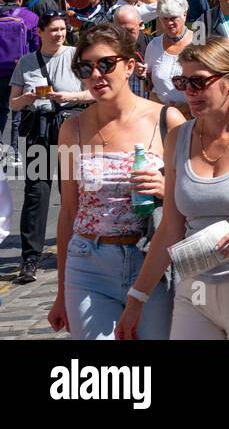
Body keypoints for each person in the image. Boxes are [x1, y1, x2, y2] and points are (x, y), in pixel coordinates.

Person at [114, 38, 229, 339]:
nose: (188, 92)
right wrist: (136, 299)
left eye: (199, 82)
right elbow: (170, 228)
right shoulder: (178, 139)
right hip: (195, 290)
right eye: (182, 82)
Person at [45, 25, 171, 338]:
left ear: (130, 66)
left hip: (151, 263)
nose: (96, 75)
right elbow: (69, 212)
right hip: (88, 264)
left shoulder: (166, 120)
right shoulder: (72, 129)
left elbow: (192, 198)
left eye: (106, 64)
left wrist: (167, 190)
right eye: (85, 68)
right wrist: (60, 293)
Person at [8, 12, 90, 285]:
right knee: (36, 193)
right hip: (40, 132)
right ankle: (30, 258)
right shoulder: (27, 63)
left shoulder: (76, 57)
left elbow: (94, 93)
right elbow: (13, 104)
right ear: (40, 33)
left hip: (68, 128)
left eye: (62, 29)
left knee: (72, 189)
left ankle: (80, 249)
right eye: (53, 30)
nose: (59, 34)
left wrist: (70, 96)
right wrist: (26, 97)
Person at [0, 0, 38, 159]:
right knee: (18, 110)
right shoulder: (30, 17)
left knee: (1, 109)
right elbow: (36, 44)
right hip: (20, 68)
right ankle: (14, 151)